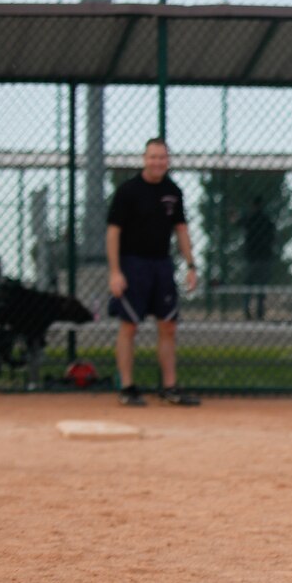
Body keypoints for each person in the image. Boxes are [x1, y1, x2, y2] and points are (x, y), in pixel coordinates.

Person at [106, 138, 202, 407]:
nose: (157, 162)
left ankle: (169, 387)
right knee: (129, 325)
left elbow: (181, 229)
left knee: (168, 326)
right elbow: (113, 232)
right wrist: (115, 272)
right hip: (132, 264)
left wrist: (191, 265)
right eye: (152, 157)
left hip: (162, 265)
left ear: (168, 161)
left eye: (162, 158)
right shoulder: (128, 191)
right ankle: (127, 387)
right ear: (144, 159)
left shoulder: (173, 191)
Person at [241, 195, 278, 318]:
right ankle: (259, 312)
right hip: (264, 256)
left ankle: (247, 308)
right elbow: (273, 237)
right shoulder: (267, 220)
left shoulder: (250, 219)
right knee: (261, 287)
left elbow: (238, 223)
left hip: (252, 257)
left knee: (248, 285)